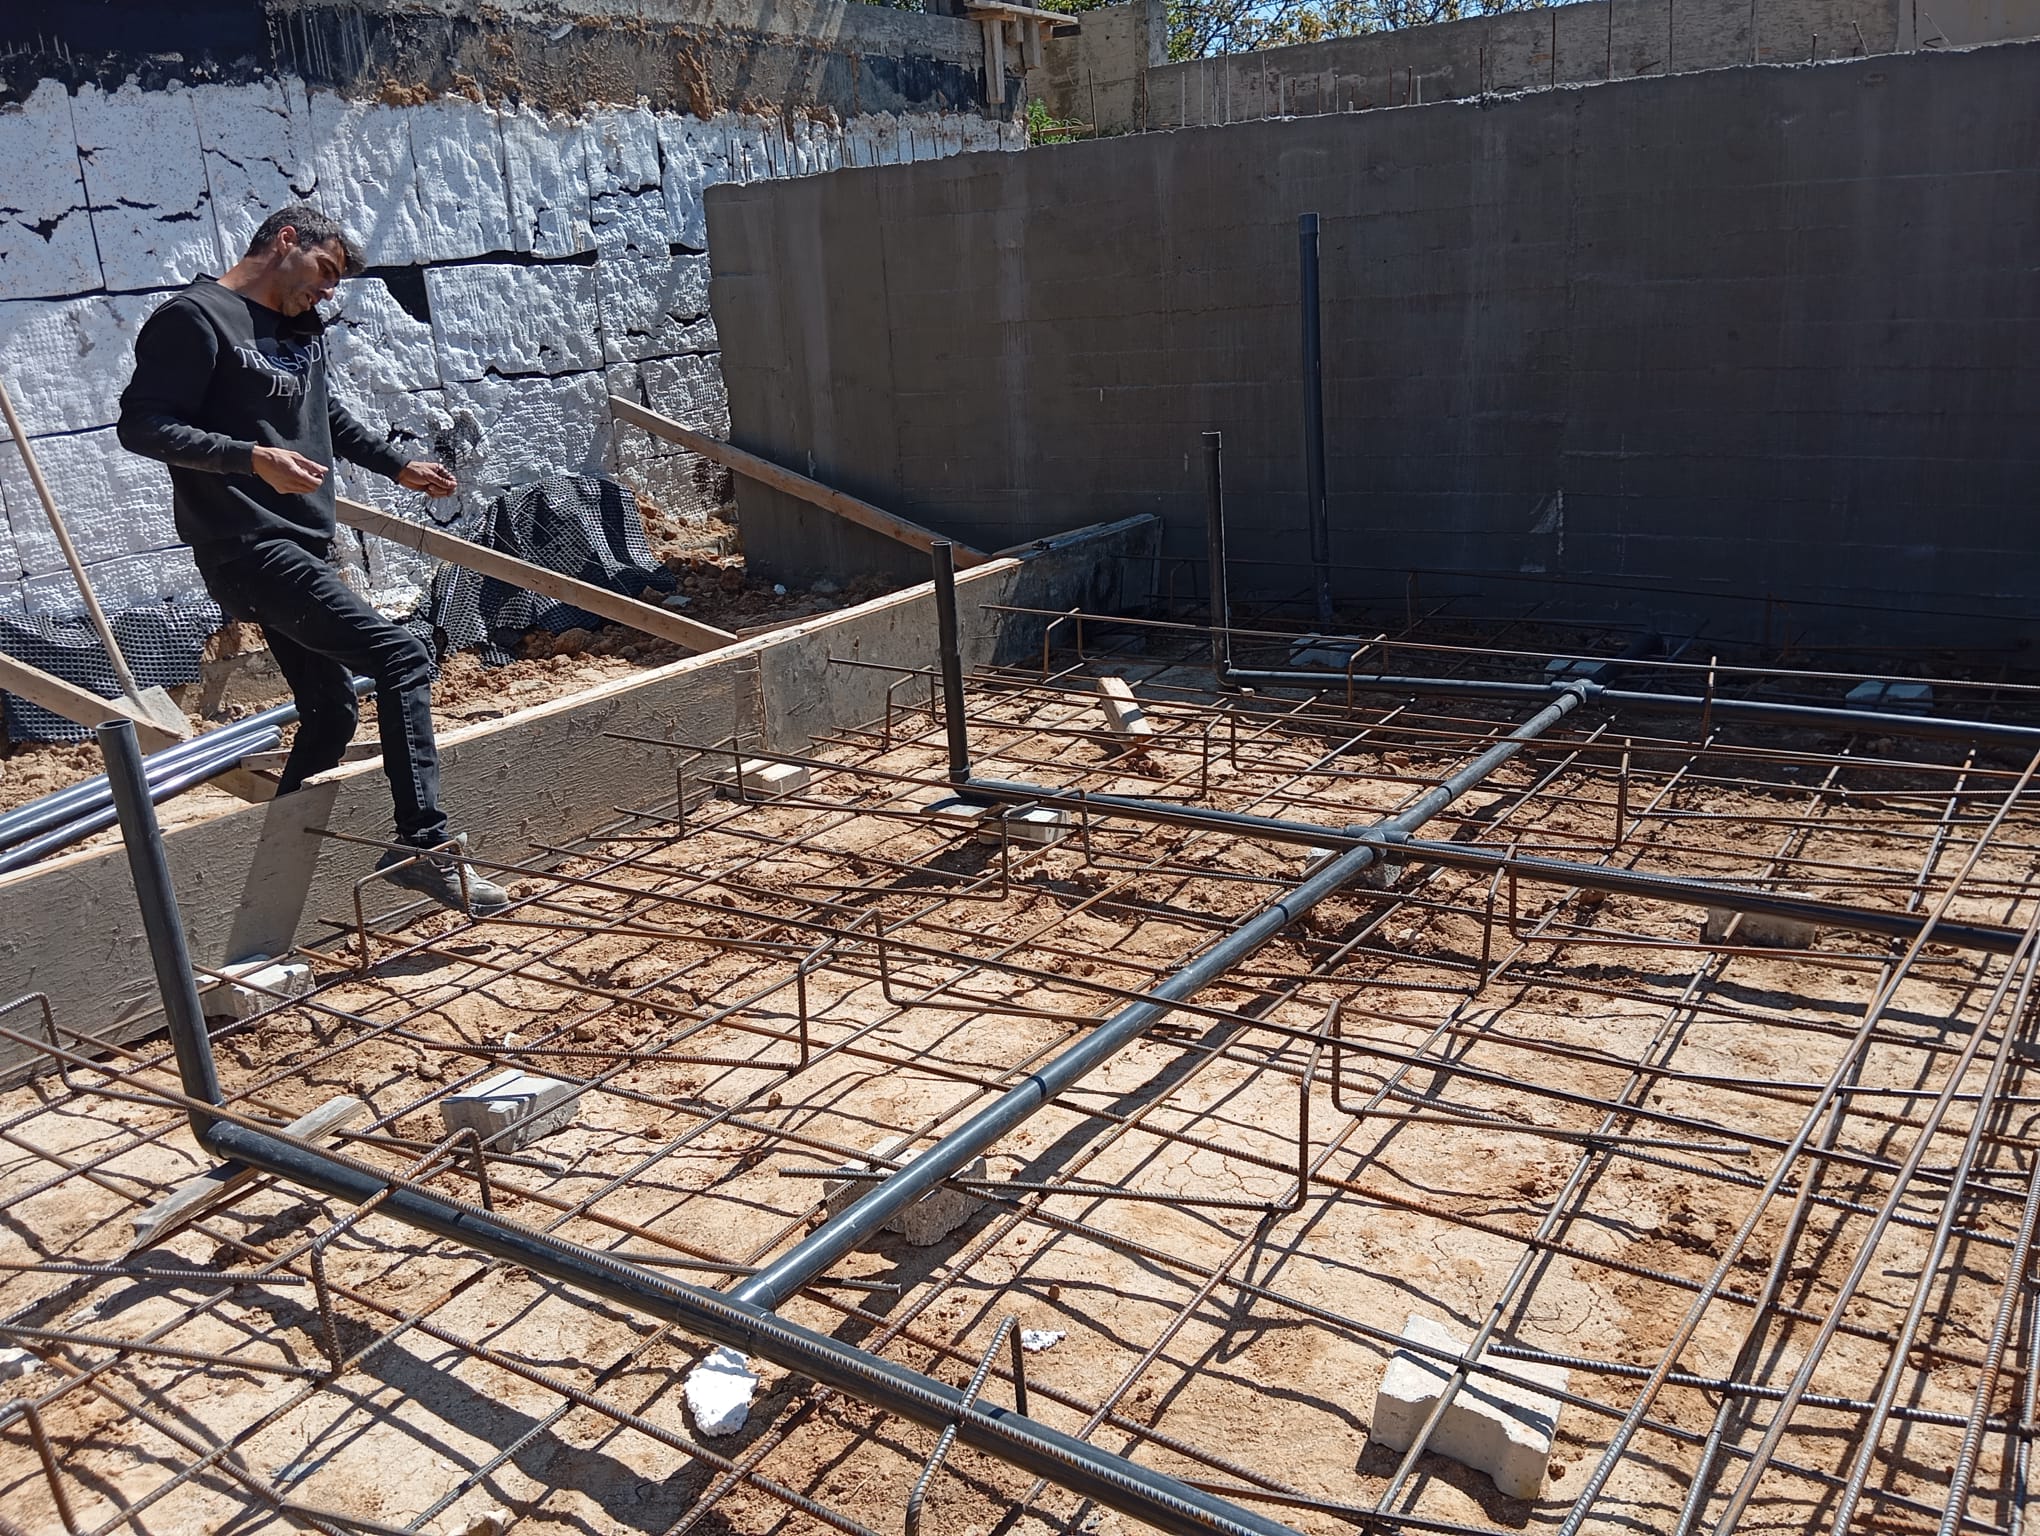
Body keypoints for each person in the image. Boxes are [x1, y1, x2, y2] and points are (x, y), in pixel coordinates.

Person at [117, 203, 508, 916]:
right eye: (324, 271)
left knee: (330, 712)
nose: (327, 291)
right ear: (285, 241)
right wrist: (249, 458)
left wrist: (396, 465)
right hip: (244, 543)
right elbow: (142, 425)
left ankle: (273, 881)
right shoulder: (195, 320)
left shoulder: (299, 328)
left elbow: (323, 414)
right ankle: (424, 845)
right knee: (402, 656)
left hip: (299, 541)